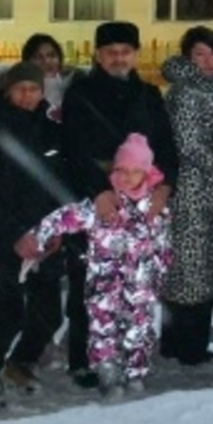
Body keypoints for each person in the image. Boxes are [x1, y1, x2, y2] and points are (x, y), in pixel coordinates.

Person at [58, 21, 178, 387]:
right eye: (111, 52)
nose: (118, 58)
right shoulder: (80, 94)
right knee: (92, 285)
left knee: (135, 285)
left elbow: (167, 147)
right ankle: (85, 359)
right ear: (97, 55)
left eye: (125, 51)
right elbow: (73, 150)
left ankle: (131, 356)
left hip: (142, 205)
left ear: (136, 55)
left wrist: (164, 188)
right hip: (99, 202)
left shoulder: (149, 95)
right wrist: (99, 191)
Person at [20, 133, 172, 397]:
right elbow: (65, 217)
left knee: (139, 328)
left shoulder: (155, 209)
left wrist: (160, 267)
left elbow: (162, 242)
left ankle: (135, 372)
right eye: (121, 170)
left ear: (146, 174)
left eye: (135, 171)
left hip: (141, 284)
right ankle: (107, 370)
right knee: (104, 329)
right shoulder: (102, 205)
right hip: (104, 283)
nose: (127, 177)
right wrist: (38, 235)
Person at [0, 62, 70, 408]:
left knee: (49, 314)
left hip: (43, 237)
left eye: (33, 88)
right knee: (7, 313)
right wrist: (15, 234)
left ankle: (20, 364)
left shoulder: (49, 131)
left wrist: (56, 229)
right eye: (21, 88)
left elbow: (57, 186)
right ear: (7, 89)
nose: (27, 95)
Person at [158, 26, 213, 366]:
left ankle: (180, 341)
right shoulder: (187, 92)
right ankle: (188, 346)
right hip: (190, 191)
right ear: (188, 57)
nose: (208, 60)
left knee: (192, 269)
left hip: (203, 189)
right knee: (190, 270)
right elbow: (189, 146)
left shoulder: (206, 89)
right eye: (200, 53)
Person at [20, 33, 73, 113]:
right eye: (38, 57)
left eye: (52, 55)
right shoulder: (20, 91)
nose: (47, 61)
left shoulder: (72, 84)